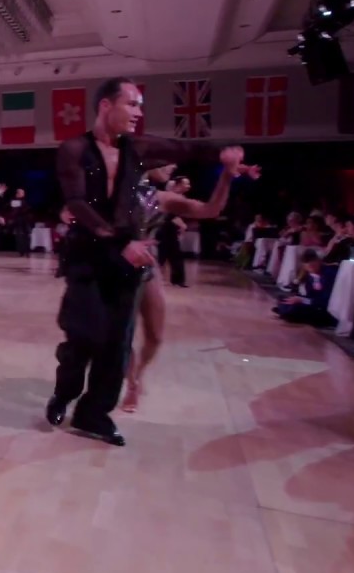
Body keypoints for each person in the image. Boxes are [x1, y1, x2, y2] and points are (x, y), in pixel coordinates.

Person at [46, 77, 246, 446]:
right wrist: (120, 242)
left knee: (117, 343)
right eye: (132, 104)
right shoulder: (74, 149)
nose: (139, 112)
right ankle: (65, 393)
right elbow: (76, 203)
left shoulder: (137, 148)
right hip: (89, 256)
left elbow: (185, 149)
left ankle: (94, 414)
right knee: (83, 335)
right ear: (106, 106)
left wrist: (225, 156)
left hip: (130, 261)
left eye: (140, 105)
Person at [121, 154, 258, 412]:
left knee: (155, 336)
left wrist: (226, 177)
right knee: (123, 336)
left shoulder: (161, 198)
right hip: (116, 270)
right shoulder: (115, 193)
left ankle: (138, 374)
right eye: (167, 162)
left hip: (147, 268)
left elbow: (210, 210)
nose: (173, 167)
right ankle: (131, 384)